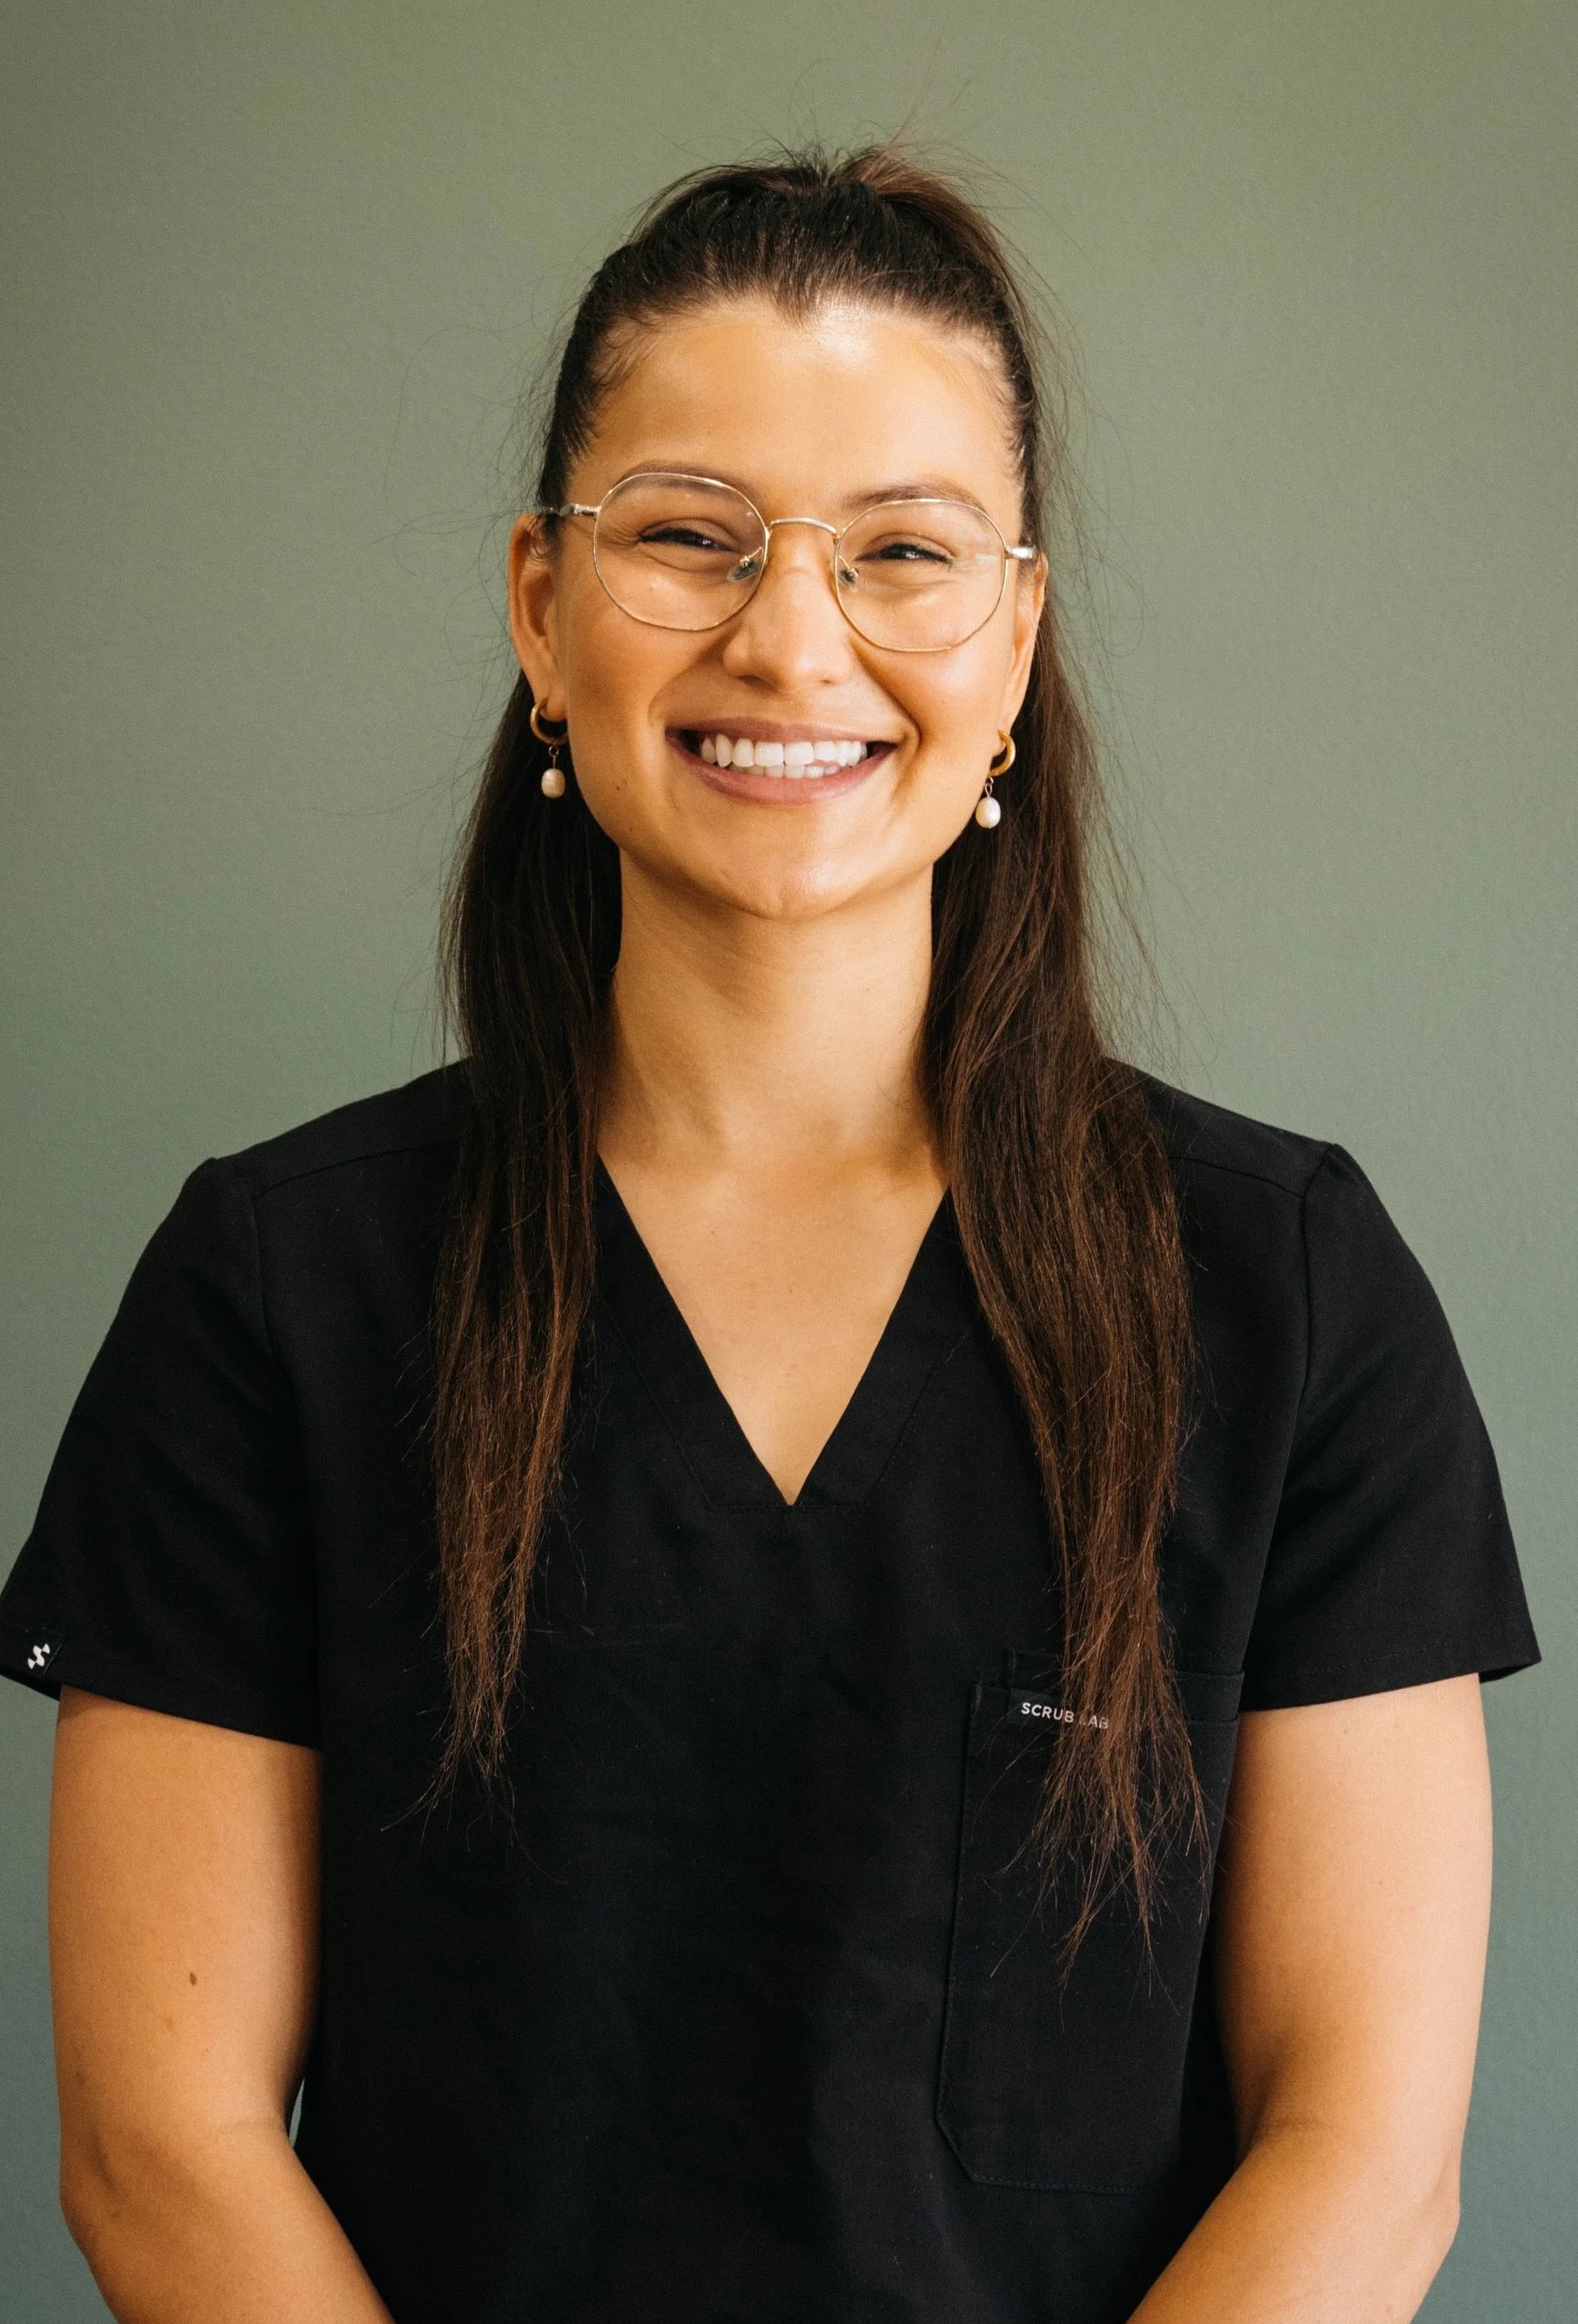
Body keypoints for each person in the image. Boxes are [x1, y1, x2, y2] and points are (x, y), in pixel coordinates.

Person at [0, 145, 1541, 2324]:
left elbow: (1360, 2157)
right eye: (687, 536)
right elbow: (164, 2149)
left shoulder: (1285, 1294)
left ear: (1014, 637)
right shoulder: (277, 1292)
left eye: (902, 551)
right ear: (539, 606)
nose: (791, 638)